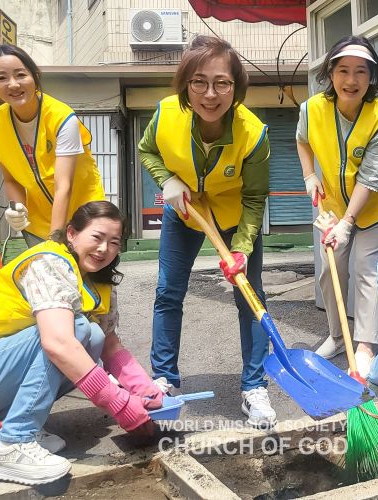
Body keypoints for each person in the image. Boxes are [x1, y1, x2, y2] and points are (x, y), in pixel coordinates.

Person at [0, 201, 163, 485]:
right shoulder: (49, 263)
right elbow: (58, 344)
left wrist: (145, 391)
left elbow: (110, 345)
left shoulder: (98, 281)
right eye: (96, 237)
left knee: (94, 336)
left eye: (114, 242)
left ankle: (22, 423)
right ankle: (13, 442)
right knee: (74, 332)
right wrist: (121, 405)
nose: (104, 249)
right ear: (71, 234)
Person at [138, 35, 275, 428]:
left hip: (234, 219)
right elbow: (148, 151)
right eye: (199, 82)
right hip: (184, 213)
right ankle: (164, 380)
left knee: (250, 297)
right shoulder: (165, 115)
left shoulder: (254, 134)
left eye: (222, 83)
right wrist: (167, 180)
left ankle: (254, 387)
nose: (210, 94)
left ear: (236, 86)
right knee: (168, 292)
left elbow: (254, 198)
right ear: (185, 84)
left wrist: (243, 248)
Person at [297, 36, 378, 379]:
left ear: (372, 77)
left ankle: (366, 345)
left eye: (360, 72)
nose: (351, 80)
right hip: (333, 206)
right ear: (330, 72)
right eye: (343, 70)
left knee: (367, 270)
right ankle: (338, 336)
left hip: (373, 207)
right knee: (331, 272)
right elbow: (301, 139)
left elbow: (370, 180)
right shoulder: (312, 109)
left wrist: (348, 223)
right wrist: (310, 175)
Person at [0, 44, 105, 247]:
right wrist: (18, 209)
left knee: (90, 279)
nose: (13, 84)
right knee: (47, 279)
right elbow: (11, 180)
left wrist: (55, 239)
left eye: (20, 75)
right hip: (37, 225)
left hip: (86, 218)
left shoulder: (62, 117)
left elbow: (63, 185)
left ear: (35, 76)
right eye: (1, 78)